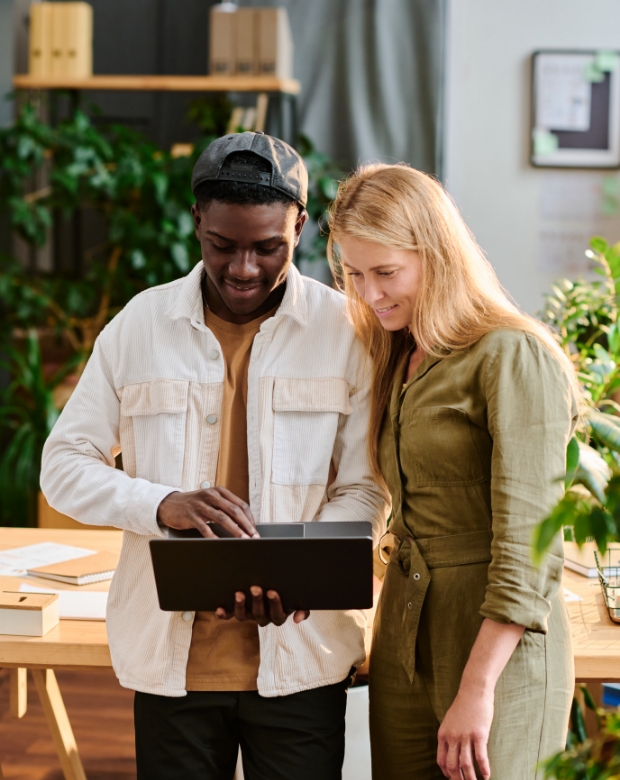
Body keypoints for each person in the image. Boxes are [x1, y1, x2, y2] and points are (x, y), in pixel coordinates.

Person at [41, 132, 387, 780]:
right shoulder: (139, 326)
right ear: (197, 221)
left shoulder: (348, 333)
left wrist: (304, 573)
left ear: (303, 226)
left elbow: (368, 490)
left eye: (268, 247)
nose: (244, 268)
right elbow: (64, 464)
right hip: (171, 672)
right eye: (222, 245)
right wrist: (160, 504)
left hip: (303, 663)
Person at [326, 163, 580, 780]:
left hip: (498, 648)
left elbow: (530, 543)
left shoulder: (510, 354)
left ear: (437, 254)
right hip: (403, 636)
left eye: (386, 272)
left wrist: (477, 686)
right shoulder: (395, 355)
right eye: (355, 273)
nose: (369, 293)